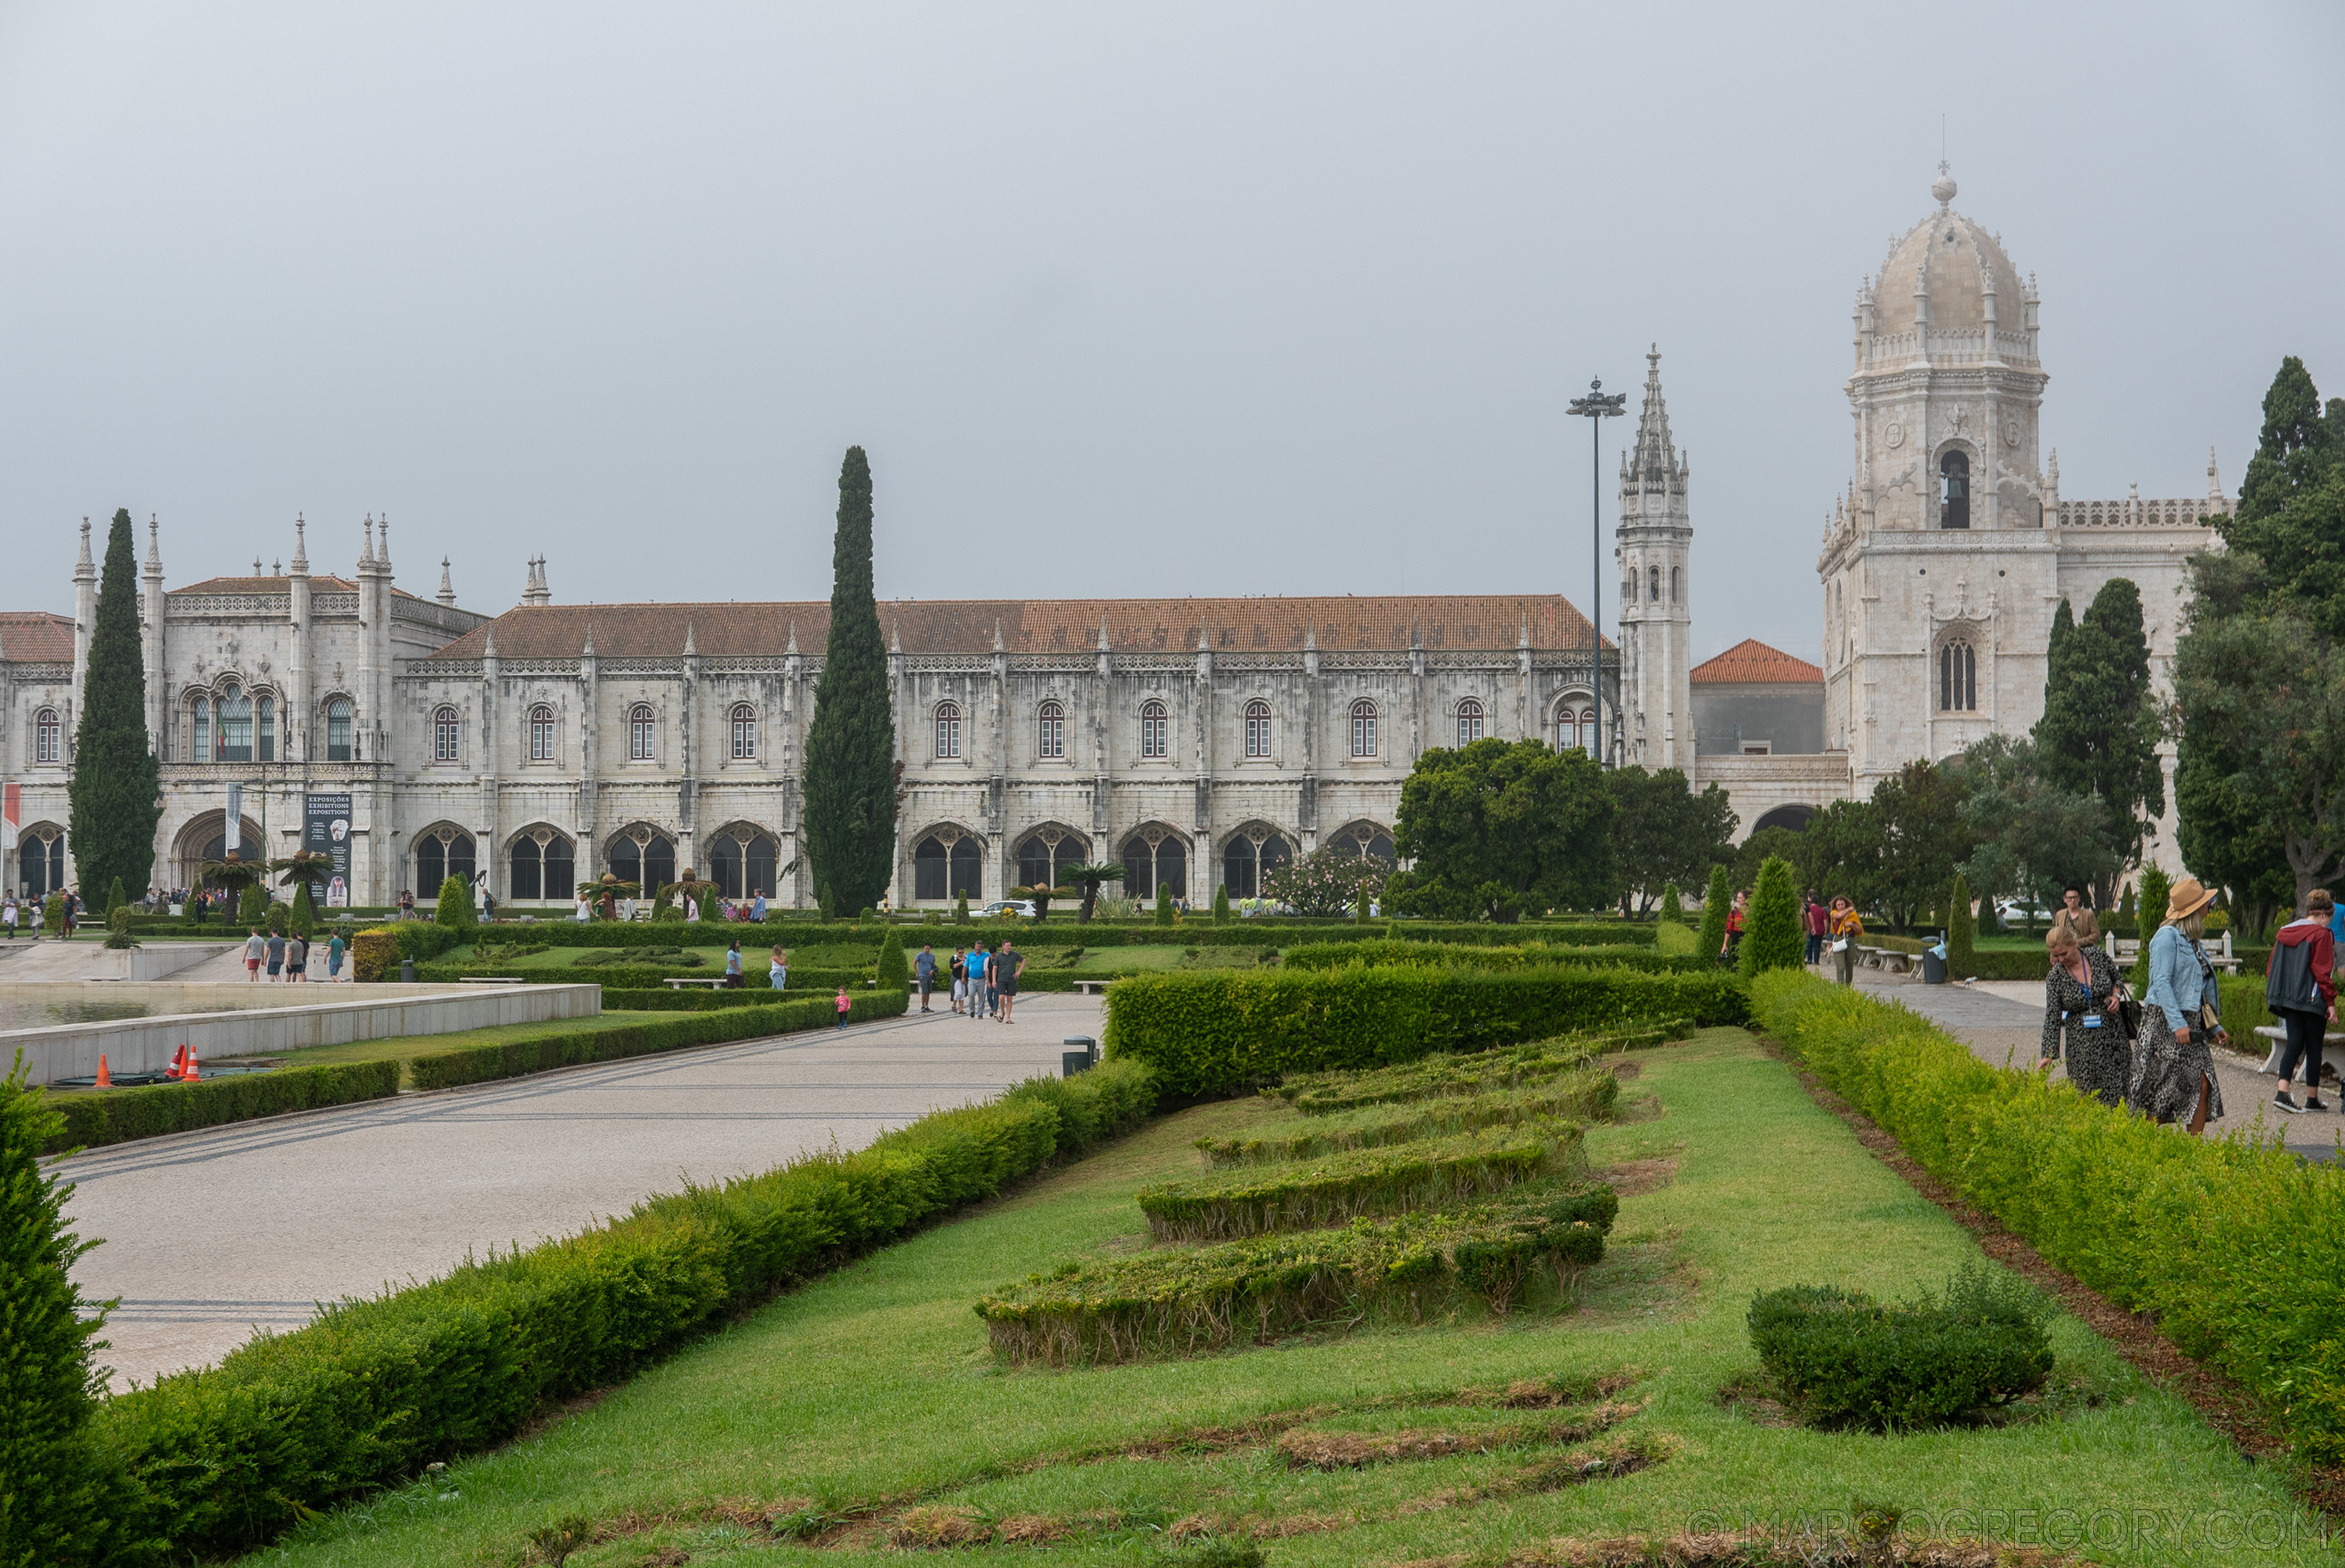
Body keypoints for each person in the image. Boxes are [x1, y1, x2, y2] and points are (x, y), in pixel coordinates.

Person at [2133, 877, 2227, 1133]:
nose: (2210, 908)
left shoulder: (2192, 941)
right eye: (2208, 904)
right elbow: (2161, 983)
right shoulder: (2167, 937)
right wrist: (2177, 1024)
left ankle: (2193, 1151)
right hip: (2166, 1023)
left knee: (2203, 1084)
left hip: (2192, 1022)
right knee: (2165, 1090)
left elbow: (2200, 991)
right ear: (2195, 910)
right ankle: (2144, 1146)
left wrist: (2213, 1026)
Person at [2040, 923, 2128, 1106]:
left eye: (2064, 953)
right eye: (2056, 955)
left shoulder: (2096, 955)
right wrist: (2048, 1054)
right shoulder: (2055, 977)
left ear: (2074, 944)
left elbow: (2117, 978)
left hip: (2112, 1036)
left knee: (2121, 1093)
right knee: (2086, 1096)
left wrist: (2116, 995)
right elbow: (2052, 1016)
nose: (2061, 959)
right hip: (2081, 1045)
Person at [2266, 890, 2338, 1114]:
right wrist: (2331, 1003)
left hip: (2287, 996)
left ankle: (2283, 1091)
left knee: (2294, 1041)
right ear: (2325, 915)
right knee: (2314, 1045)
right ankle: (2311, 1098)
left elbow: (2271, 967)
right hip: (2312, 997)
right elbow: (2322, 970)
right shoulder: (2321, 935)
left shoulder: (2284, 932)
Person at [1828, 897, 1862, 986]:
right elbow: (1840, 916)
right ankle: (1840, 988)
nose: (1840, 906)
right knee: (1840, 966)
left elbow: (1859, 930)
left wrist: (1851, 924)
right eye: (1838, 905)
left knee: (1849, 966)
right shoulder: (1833, 913)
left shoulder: (1853, 915)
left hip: (1849, 939)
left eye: (1842, 904)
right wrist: (1849, 909)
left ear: (1845, 904)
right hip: (1838, 939)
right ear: (1835, 906)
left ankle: (1847, 987)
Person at [2054, 885, 2103, 949]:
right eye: (2070, 898)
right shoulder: (2059, 915)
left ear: (2079, 898)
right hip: (2065, 949)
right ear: (2064, 899)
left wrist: (2079, 942)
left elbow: (2096, 934)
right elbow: (2056, 934)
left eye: (2075, 897)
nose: (2072, 900)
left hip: (2085, 948)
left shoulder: (2088, 915)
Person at [996, 939, 1024, 1023]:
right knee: (1001, 997)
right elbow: (995, 967)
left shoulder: (1014, 954)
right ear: (1003, 946)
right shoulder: (999, 956)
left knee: (1009, 998)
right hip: (1001, 978)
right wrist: (994, 979)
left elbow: (1023, 960)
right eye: (1007, 945)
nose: (1009, 947)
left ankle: (1008, 1018)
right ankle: (1002, 1012)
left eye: (1010, 945)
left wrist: (1019, 971)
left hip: (1011, 979)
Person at [1803, 891, 1827, 967]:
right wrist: (1826, 929)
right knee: (1817, 945)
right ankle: (1816, 961)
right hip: (1819, 930)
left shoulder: (1807, 909)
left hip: (1809, 929)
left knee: (1809, 944)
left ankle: (1809, 959)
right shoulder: (1821, 910)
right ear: (1818, 901)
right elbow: (1825, 920)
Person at [1722, 889, 1747, 962]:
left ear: (1746, 899)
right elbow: (1728, 929)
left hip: (1746, 936)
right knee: (1736, 959)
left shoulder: (1752, 912)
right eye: (1737, 898)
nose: (1738, 900)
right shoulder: (1734, 912)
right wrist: (1724, 944)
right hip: (1736, 938)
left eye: (1740, 898)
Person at [967, 942, 990, 1018]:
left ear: (982, 947)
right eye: (977, 946)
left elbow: (993, 956)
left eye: (980, 947)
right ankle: (972, 1010)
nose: (978, 948)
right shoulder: (970, 955)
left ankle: (980, 1012)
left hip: (982, 978)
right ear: (975, 946)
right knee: (971, 994)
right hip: (972, 978)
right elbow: (965, 966)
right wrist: (963, 977)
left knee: (982, 996)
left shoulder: (986, 955)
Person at [915, 944, 937, 1012]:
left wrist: (932, 970)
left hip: (929, 975)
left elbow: (933, 965)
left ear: (930, 949)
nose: (927, 950)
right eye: (926, 948)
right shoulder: (920, 955)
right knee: (924, 991)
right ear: (923, 948)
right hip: (922, 975)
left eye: (928, 949)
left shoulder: (932, 956)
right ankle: (922, 1006)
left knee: (928, 991)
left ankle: (927, 1005)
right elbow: (914, 962)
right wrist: (916, 972)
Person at [950, 946, 967, 1014]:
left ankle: (961, 1009)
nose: (961, 954)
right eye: (960, 952)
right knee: (958, 992)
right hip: (956, 977)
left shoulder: (966, 958)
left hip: (964, 978)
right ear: (957, 952)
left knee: (962, 994)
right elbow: (952, 966)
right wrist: (960, 963)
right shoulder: (954, 958)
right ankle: (954, 1004)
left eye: (962, 952)